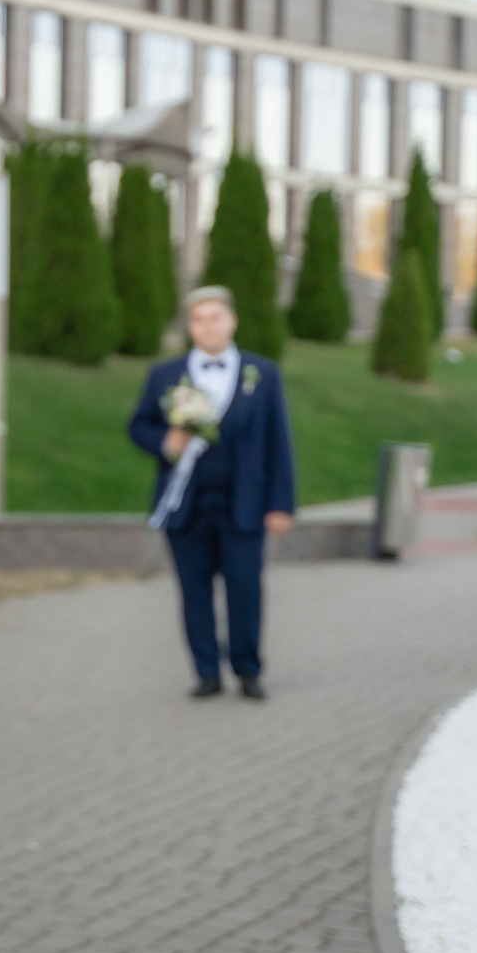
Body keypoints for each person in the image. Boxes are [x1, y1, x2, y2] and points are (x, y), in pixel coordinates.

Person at [127, 286, 296, 700]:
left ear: (232, 321)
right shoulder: (166, 376)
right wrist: (167, 442)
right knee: (193, 591)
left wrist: (281, 504)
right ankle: (205, 672)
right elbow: (139, 425)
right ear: (190, 327)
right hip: (187, 505)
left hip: (245, 505)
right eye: (199, 319)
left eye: (215, 317)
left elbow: (279, 442)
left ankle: (248, 668)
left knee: (245, 588)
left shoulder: (263, 375)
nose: (208, 326)